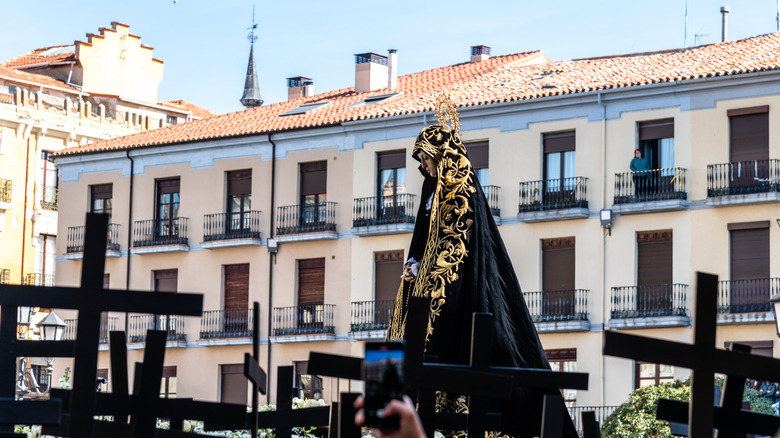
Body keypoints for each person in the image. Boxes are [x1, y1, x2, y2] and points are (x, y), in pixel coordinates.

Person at [386, 95, 577, 438]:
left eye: (427, 157)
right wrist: (414, 265)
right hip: (423, 284)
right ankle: (394, 410)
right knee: (405, 352)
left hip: (454, 287)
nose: (424, 165)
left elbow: (458, 243)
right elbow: (423, 237)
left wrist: (431, 275)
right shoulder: (431, 191)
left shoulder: (463, 189)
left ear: (441, 156)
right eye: (421, 159)